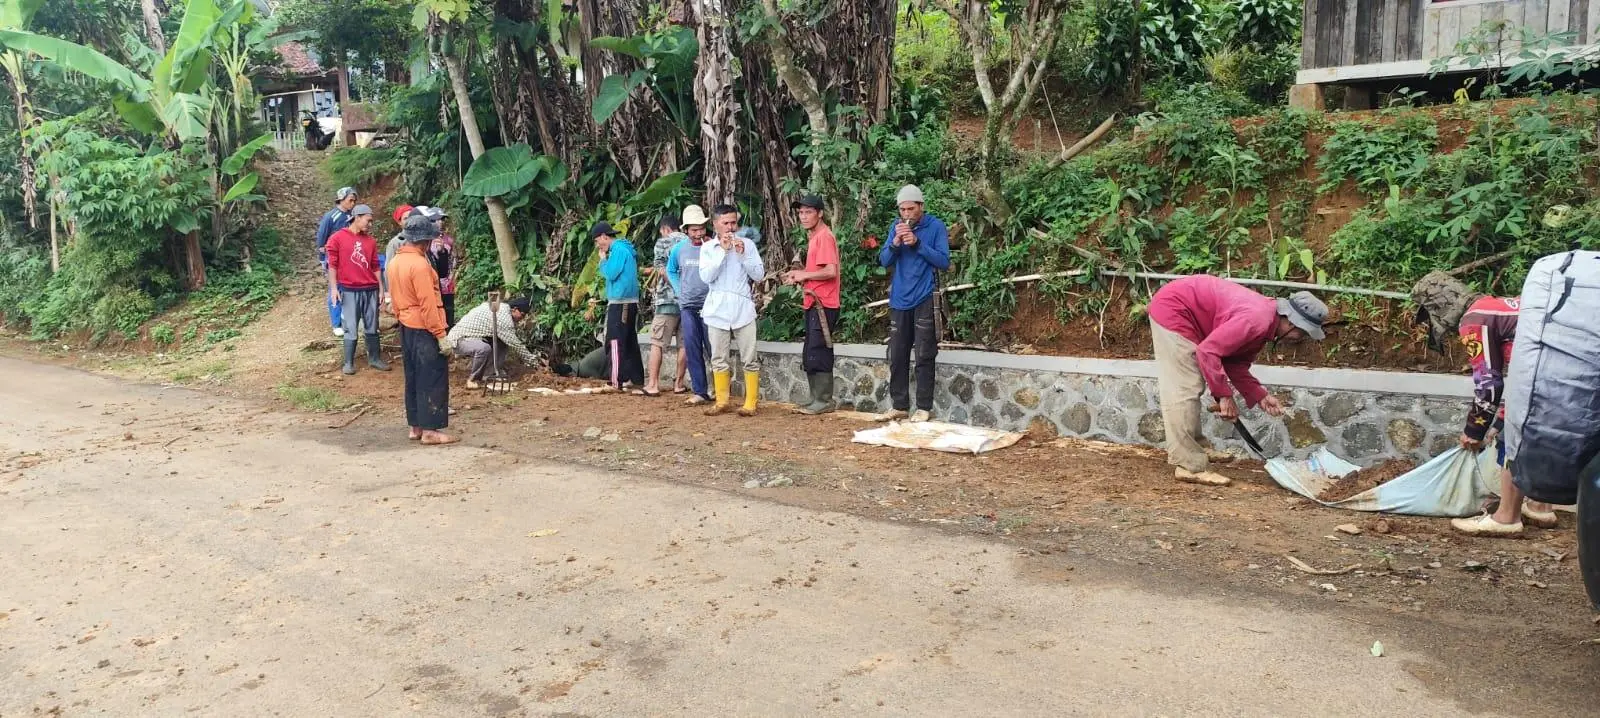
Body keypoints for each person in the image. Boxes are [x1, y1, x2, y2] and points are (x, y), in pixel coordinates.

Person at [1412, 272, 1556, 535]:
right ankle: (1539, 506)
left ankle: (1506, 518)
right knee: (1536, 430)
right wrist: (1497, 421)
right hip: (1565, 367)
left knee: (1513, 437)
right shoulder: (1495, 307)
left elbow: (1489, 385)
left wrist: (1473, 432)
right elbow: (1522, 380)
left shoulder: (1475, 319)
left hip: (1552, 372)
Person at [1148, 275, 1327, 486]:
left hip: (1186, 310)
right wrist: (1224, 397)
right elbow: (1208, 352)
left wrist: (1260, 396)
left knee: (1191, 382)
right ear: (1289, 319)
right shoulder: (1256, 321)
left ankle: (1197, 446)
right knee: (1186, 385)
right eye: (1301, 332)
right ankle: (1189, 465)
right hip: (1175, 310)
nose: (1301, 338)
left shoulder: (1265, 324)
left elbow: (1235, 364)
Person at [877, 185, 950, 423]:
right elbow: (884, 260)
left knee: (924, 354)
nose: (906, 214)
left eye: (911, 208)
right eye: (902, 209)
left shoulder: (935, 226)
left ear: (921, 206)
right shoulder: (895, 227)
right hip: (899, 298)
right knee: (897, 354)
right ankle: (899, 405)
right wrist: (896, 242)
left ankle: (923, 407)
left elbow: (943, 261)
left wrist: (917, 243)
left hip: (924, 297)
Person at [389, 213, 456, 445]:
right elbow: (428, 304)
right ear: (426, 241)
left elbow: (395, 300)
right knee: (432, 376)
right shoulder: (419, 265)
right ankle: (430, 430)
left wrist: (401, 317)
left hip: (406, 325)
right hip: (424, 326)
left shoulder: (395, 262)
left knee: (413, 376)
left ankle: (415, 426)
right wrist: (440, 335)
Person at [699, 205, 765, 417]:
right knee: (718, 357)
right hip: (717, 308)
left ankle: (751, 402)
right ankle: (722, 400)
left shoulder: (747, 245)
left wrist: (743, 254)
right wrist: (724, 252)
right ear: (716, 224)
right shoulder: (708, 248)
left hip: (742, 308)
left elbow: (759, 275)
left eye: (733, 223)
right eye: (725, 223)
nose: (730, 227)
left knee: (749, 356)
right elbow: (706, 277)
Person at [783, 194, 841, 414]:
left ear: (820, 214)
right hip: (814, 302)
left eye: (808, 212)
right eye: (801, 213)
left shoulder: (824, 237)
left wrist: (803, 275)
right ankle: (816, 397)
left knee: (819, 349)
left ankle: (824, 400)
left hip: (824, 304)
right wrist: (801, 276)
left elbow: (830, 271)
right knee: (811, 350)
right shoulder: (815, 237)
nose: (803, 217)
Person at [323, 204, 390, 375]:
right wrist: (333, 288)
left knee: (372, 325)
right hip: (349, 289)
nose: (370, 224)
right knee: (350, 326)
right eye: (368, 220)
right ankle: (348, 362)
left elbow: (376, 266)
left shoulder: (370, 241)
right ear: (357, 217)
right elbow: (332, 265)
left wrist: (382, 289)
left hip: (370, 288)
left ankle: (374, 358)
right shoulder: (337, 238)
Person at [667, 205, 714, 405]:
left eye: (701, 228)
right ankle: (700, 391)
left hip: (710, 306)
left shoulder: (712, 246)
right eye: (694, 230)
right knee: (692, 348)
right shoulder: (679, 249)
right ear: (686, 230)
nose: (698, 234)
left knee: (714, 349)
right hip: (688, 306)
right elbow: (671, 270)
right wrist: (680, 291)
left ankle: (719, 389)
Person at [446, 296, 539, 389]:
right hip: (459, 339)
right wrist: (534, 362)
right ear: (514, 309)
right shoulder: (504, 319)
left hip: (475, 337)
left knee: (502, 341)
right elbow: (516, 345)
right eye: (522, 315)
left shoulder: (501, 307)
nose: (521, 319)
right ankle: (473, 380)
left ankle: (489, 372)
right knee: (484, 348)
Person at [595, 221, 645, 391]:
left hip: (620, 302)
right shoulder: (625, 249)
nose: (598, 245)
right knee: (629, 340)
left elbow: (611, 273)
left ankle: (615, 380)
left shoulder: (617, 250)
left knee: (615, 341)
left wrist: (602, 261)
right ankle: (635, 378)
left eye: (597, 241)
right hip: (629, 301)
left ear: (604, 236)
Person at [643, 215, 688, 397]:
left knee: (657, 343)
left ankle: (653, 384)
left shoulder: (663, 243)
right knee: (684, 344)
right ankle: (679, 383)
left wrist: (676, 287)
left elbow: (661, 270)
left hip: (667, 301)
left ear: (665, 229)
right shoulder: (691, 242)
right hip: (688, 302)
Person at [315, 187, 358, 337]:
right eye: (350, 200)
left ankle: (347, 317)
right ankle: (336, 323)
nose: (352, 203)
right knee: (336, 288)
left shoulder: (352, 216)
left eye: (354, 201)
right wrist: (323, 259)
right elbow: (321, 238)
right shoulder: (331, 217)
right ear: (341, 199)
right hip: (335, 258)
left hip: (350, 257)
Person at [423, 206, 463, 327]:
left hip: (447, 283)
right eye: (436, 220)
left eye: (441, 220)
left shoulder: (448, 240)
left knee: (448, 311)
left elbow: (453, 260)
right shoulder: (424, 240)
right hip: (431, 283)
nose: (440, 223)